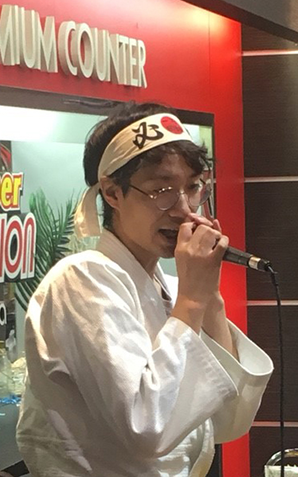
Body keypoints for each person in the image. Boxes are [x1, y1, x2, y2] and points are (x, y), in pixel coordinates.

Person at [16, 102, 273, 476]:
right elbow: (145, 426)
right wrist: (192, 300)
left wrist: (210, 298)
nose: (184, 209)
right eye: (161, 190)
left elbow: (229, 419)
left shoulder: (167, 287)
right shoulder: (81, 280)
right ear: (112, 193)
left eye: (193, 187)